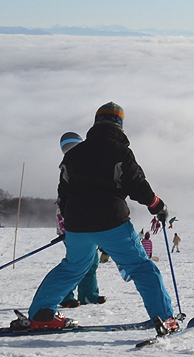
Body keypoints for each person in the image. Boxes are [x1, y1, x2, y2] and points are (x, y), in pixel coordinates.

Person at [25, 103, 176, 332]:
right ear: (120, 125)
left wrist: (70, 224)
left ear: (96, 123)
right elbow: (137, 185)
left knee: (73, 267)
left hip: (77, 225)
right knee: (141, 268)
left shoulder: (73, 155)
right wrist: (157, 206)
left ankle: (41, 314)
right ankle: (165, 318)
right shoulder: (119, 152)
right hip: (111, 221)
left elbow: (63, 195)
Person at [56, 131, 106, 309]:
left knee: (91, 261)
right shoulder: (70, 168)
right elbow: (66, 201)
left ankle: (88, 295)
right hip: (75, 225)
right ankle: (66, 296)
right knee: (78, 263)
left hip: (84, 224)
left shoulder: (78, 166)